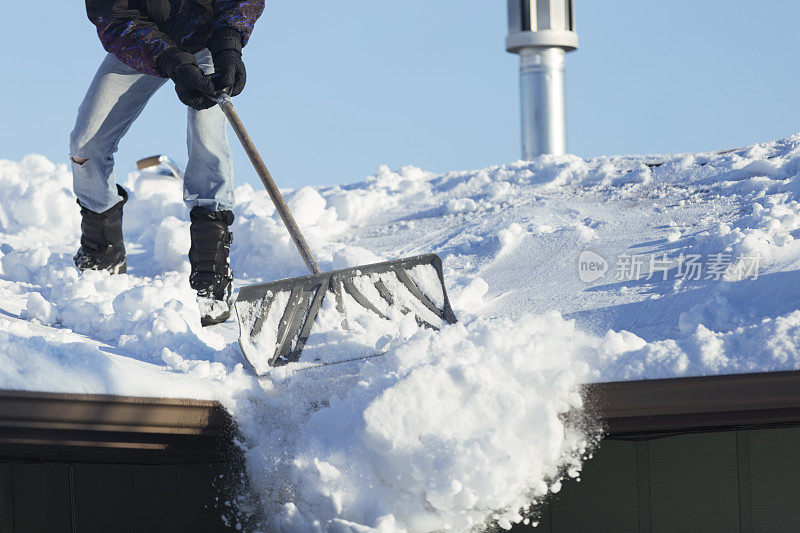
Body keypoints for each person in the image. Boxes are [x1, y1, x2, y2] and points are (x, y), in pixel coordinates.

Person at [70, 0, 264, 326]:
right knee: (86, 144)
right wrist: (172, 60)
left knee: (208, 137)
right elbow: (112, 15)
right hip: (141, 45)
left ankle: (211, 271)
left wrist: (229, 43)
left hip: (206, 41)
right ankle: (103, 251)